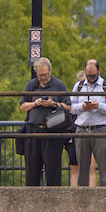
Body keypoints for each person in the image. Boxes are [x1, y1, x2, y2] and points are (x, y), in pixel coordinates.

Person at [19, 57, 71, 187]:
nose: (43, 78)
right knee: (32, 169)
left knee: (53, 170)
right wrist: (35, 103)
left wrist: (53, 103)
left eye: (45, 74)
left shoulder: (59, 85)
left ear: (50, 71)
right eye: (40, 75)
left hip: (52, 131)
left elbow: (69, 107)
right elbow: (22, 106)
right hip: (33, 130)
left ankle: (54, 198)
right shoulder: (31, 85)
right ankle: (32, 198)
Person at [72, 59, 106, 188]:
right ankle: (83, 198)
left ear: (99, 71)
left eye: (93, 76)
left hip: (100, 128)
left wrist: (99, 106)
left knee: (104, 166)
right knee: (82, 167)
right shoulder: (78, 86)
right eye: (88, 75)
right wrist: (82, 107)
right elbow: (71, 107)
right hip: (82, 128)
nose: (91, 78)